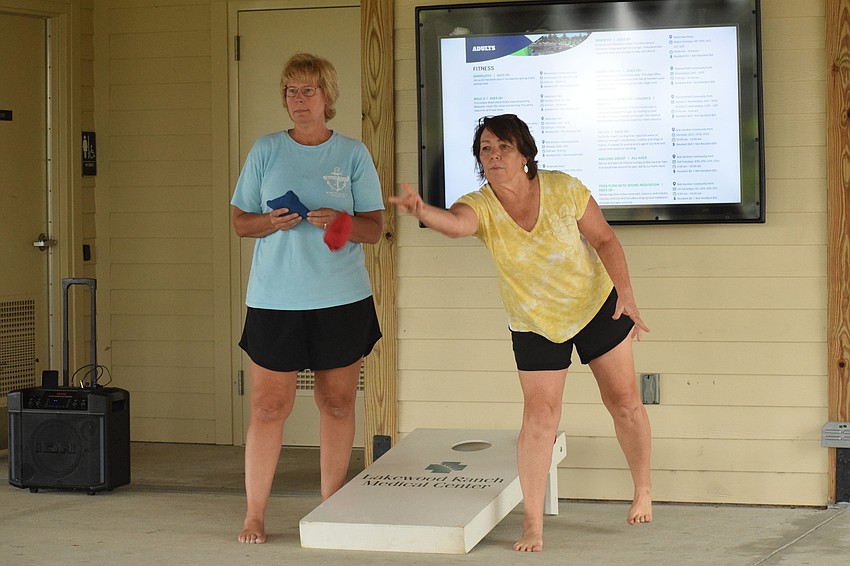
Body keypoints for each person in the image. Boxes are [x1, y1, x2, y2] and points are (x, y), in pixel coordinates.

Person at [390, 114, 652, 553]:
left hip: (596, 306)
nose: (493, 156)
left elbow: (605, 240)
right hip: (534, 321)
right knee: (539, 419)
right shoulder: (482, 204)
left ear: (525, 154)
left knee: (624, 402)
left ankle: (642, 489)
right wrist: (423, 212)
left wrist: (625, 293)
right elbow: (456, 224)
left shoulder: (564, 187)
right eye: (486, 149)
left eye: (503, 147)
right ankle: (533, 524)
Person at [230, 52, 384, 544]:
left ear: (327, 97)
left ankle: (330, 506)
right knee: (268, 408)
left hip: (341, 299)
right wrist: (268, 223)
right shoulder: (266, 149)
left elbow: (376, 229)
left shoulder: (353, 153)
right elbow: (240, 222)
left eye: (308, 91)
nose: (299, 100)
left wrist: (340, 223)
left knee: (337, 404)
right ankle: (255, 514)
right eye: (292, 91)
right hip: (275, 300)